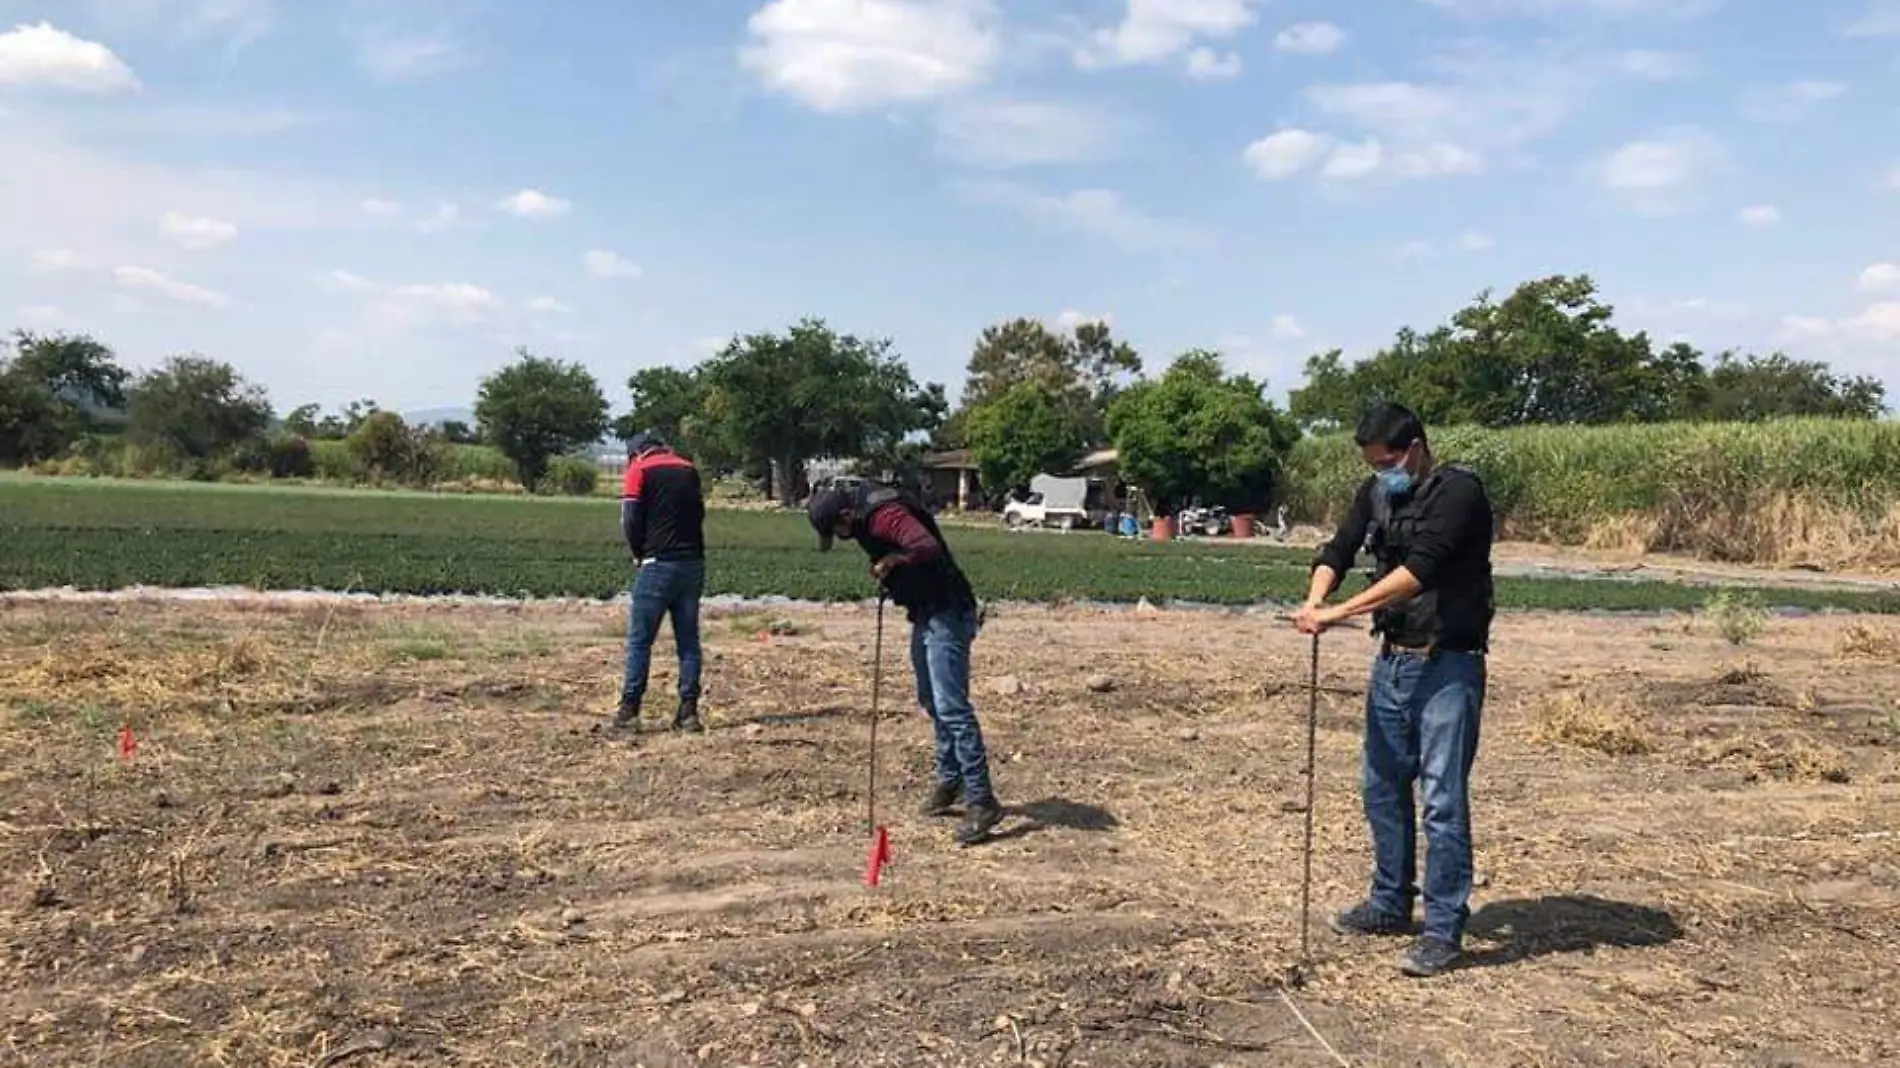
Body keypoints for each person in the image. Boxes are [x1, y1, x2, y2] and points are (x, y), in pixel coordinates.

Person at [1292, 401, 1495, 978]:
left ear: (1416, 448)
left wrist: (1339, 614)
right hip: (1392, 663)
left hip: (1448, 668)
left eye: (1388, 462)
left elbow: (1417, 574)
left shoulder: (1460, 494)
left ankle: (1442, 928)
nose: (1383, 472)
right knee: (1381, 787)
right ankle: (1388, 902)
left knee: (1442, 801)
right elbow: (1339, 547)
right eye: (1374, 464)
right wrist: (1316, 596)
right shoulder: (1376, 492)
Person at [806, 480, 1004, 846]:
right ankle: (950, 779)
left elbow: (924, 545)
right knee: (931, 701)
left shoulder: (885, 516)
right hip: (925, 612)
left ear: (846, 515)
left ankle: (982, 799)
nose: (841, 536)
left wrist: (894, 560)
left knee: (952, 707)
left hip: (948, 611)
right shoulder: (865, 515)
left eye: (838, 529)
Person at [610, 431, 707, 735]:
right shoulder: (688, 468)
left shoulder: (639, 469)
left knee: (641, 642)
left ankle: (629, 712)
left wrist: (639, 552)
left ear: (637, 452)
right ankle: (689, 712)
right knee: (688, 642)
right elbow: (699, 513)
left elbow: (628, 518)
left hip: (657, 564)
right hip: (693, 565)